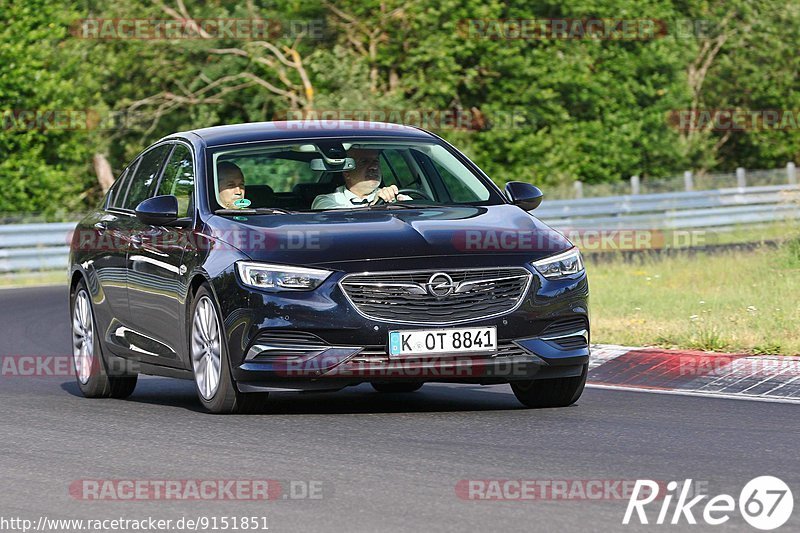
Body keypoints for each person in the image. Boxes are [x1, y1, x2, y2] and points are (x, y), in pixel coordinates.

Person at [311, 148, 411, 209]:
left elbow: (417, 215)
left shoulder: (392, 197)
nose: (374, 167)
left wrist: (401, 203)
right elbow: (337, 222)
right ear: (347, 172)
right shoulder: (327, 200)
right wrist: (374, 206)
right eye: (364, 162)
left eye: (376, 161)